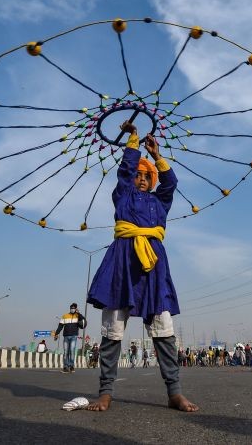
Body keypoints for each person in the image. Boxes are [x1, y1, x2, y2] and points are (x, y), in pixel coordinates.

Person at [85, 122, 198, 412]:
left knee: (163, 330)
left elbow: (171, 183)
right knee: (112, 330)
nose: (142, 179)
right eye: (139, 175)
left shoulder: (160, 201)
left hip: (154, 267)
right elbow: (123, 172)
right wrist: (133, 141)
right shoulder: (123, 195)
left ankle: (174, 393)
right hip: (121, 264)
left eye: (147, 176)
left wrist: (157, 155)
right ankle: (106, 393)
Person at [54, 303, 86, 373]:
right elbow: (60, 326)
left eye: (74, 308)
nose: (72, 309)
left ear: (76, 309)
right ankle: (65, 367)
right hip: (66, 336)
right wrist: (56, 334)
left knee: (72, 350)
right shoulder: (65, 316)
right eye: (71, 308)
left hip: (74, 336)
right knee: (66, 352)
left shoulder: (78, 316)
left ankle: (71, 366)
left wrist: (79, 313)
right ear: (70, 308)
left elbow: (83, 321)